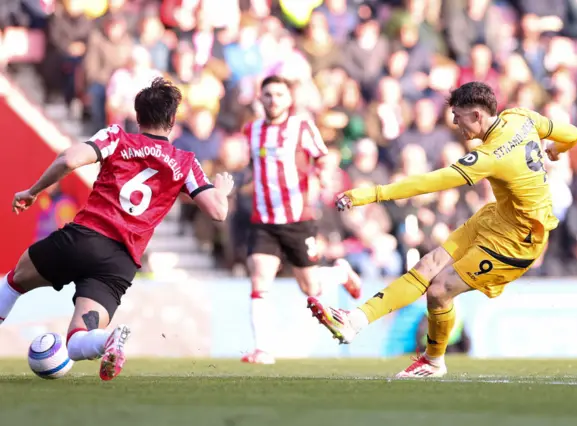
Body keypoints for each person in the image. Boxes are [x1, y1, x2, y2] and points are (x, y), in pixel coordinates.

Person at [307, 81, 577, 378]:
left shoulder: (489, 156)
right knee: (429, 264)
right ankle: (355, 321)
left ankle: (434, 360)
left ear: (477, 115)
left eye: (457, 116)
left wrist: (368, 194)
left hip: (518, 241)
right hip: (497, 218)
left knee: (439, 290)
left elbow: (426, 182)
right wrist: (556, 149)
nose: (453, 123)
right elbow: (573, 134)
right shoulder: (521, 117)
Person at [0, 77, 235, 381]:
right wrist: (222, 190)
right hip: (120, 261)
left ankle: (103, 340)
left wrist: (33, 190)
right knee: (78, 340)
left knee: (15, 281)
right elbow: (218, 211)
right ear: (173, 120)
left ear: (138, 116)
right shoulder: (185, 162)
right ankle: (107, 340)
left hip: (84, 237)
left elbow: (69, 158)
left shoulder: (118, 138)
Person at [241, 75, 361, 364]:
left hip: (297, 218)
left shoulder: (301, 127)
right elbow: (252, 168)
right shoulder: (252, 130)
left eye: (279, 95)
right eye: (268, 94)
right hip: (264, 219)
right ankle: (262, 350)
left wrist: (322, 173)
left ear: (289, 99)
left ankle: (341, 273)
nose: (273, 100)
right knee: (259, 278)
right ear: (260, 98)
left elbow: (322, 157)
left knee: (310, 288)